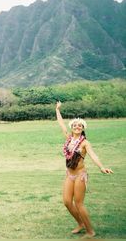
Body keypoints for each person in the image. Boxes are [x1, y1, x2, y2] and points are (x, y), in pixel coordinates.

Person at [55, 101, 113, 238]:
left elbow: (93, 155)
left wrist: (102, 167)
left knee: (79, 204)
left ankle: (90, 231)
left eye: (80, 126)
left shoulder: (85, 142)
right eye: (75, 125)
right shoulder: (68, 139)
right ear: (72, 128)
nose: (77, 127)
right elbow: (62, 125)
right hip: (69, 174)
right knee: (67, 202)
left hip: (80, 175)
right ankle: (80, 223)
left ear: (83, 128)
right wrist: (57, 110)